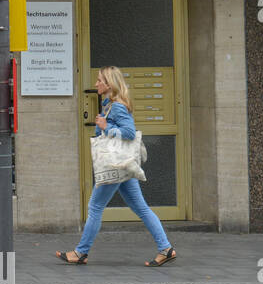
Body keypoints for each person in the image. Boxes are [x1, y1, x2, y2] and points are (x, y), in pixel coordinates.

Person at [57, 66, 177, 267]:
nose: (96, 84)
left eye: (99, 80)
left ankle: (81, 253)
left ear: (109, 84)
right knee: (141, 208)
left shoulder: (117, 107)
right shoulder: (110, 105)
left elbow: (129, 133)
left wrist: (107, 127)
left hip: (115, 165)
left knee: (95, 206)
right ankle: (166, 249)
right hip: (122, 166)